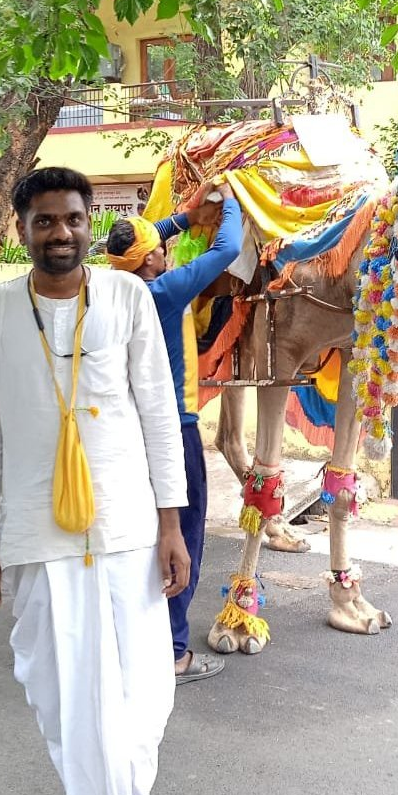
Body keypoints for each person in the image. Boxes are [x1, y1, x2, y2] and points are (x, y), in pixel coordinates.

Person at [0, 166, 189, 795]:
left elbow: (159, 413)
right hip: (36, 530)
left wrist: (172, 526)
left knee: (140, 690)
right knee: (64, 695)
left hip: (127, 527)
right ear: (22, 228)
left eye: (73, 219)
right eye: (45, 221)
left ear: (90, 225)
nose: (61, 232)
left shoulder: (126, 296)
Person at [106, 181, 242, 683]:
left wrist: (185, 217)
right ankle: (174, 652)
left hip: (128, 431)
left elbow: (151, 236)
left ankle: (134, 640)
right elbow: (228, 249)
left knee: (139, 537)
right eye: (160, 248)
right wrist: (232, 200)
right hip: (174, 432)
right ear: (150, 261)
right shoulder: (164, 292)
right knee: (183, 535)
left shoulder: (112, 286)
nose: (167, 250)